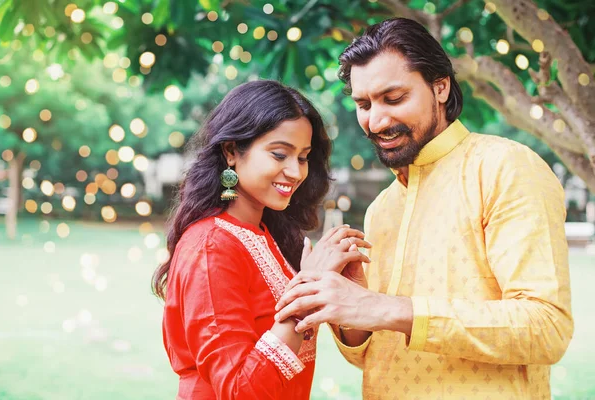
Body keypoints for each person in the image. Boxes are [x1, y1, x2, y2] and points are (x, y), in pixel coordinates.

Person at [275, 18, 573, 399]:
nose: (376, 121)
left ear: (441, 87)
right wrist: (351, 310)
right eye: (363, 104)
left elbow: (546, 328)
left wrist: (386, 308)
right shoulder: (382, 208)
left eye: (394, 98)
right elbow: (378, 356)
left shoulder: (505, 167)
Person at [151, 80, 371, 400]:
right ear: (231, 151)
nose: (295, 172)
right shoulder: (211, 247)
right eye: (279, 154)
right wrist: (306, 287)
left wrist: (350, 291)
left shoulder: (270, 237)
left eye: (303, 157)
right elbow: (240, 390)